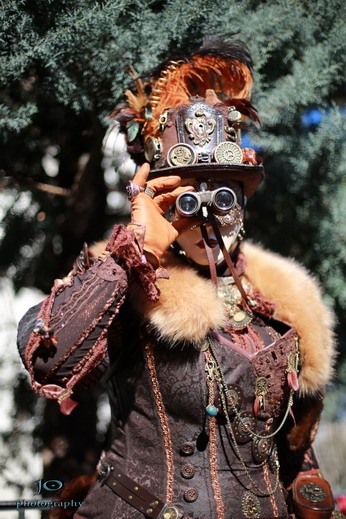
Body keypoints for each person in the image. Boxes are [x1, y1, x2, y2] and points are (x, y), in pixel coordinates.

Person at [17, 37, 339, 519]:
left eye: (224, 196)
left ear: (244, 206)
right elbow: (47, 362)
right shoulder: (127, 283)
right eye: (186, 199)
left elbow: (288, 446)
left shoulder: (279, 306)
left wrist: (310, 489)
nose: (207, 214)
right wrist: (139, 249)